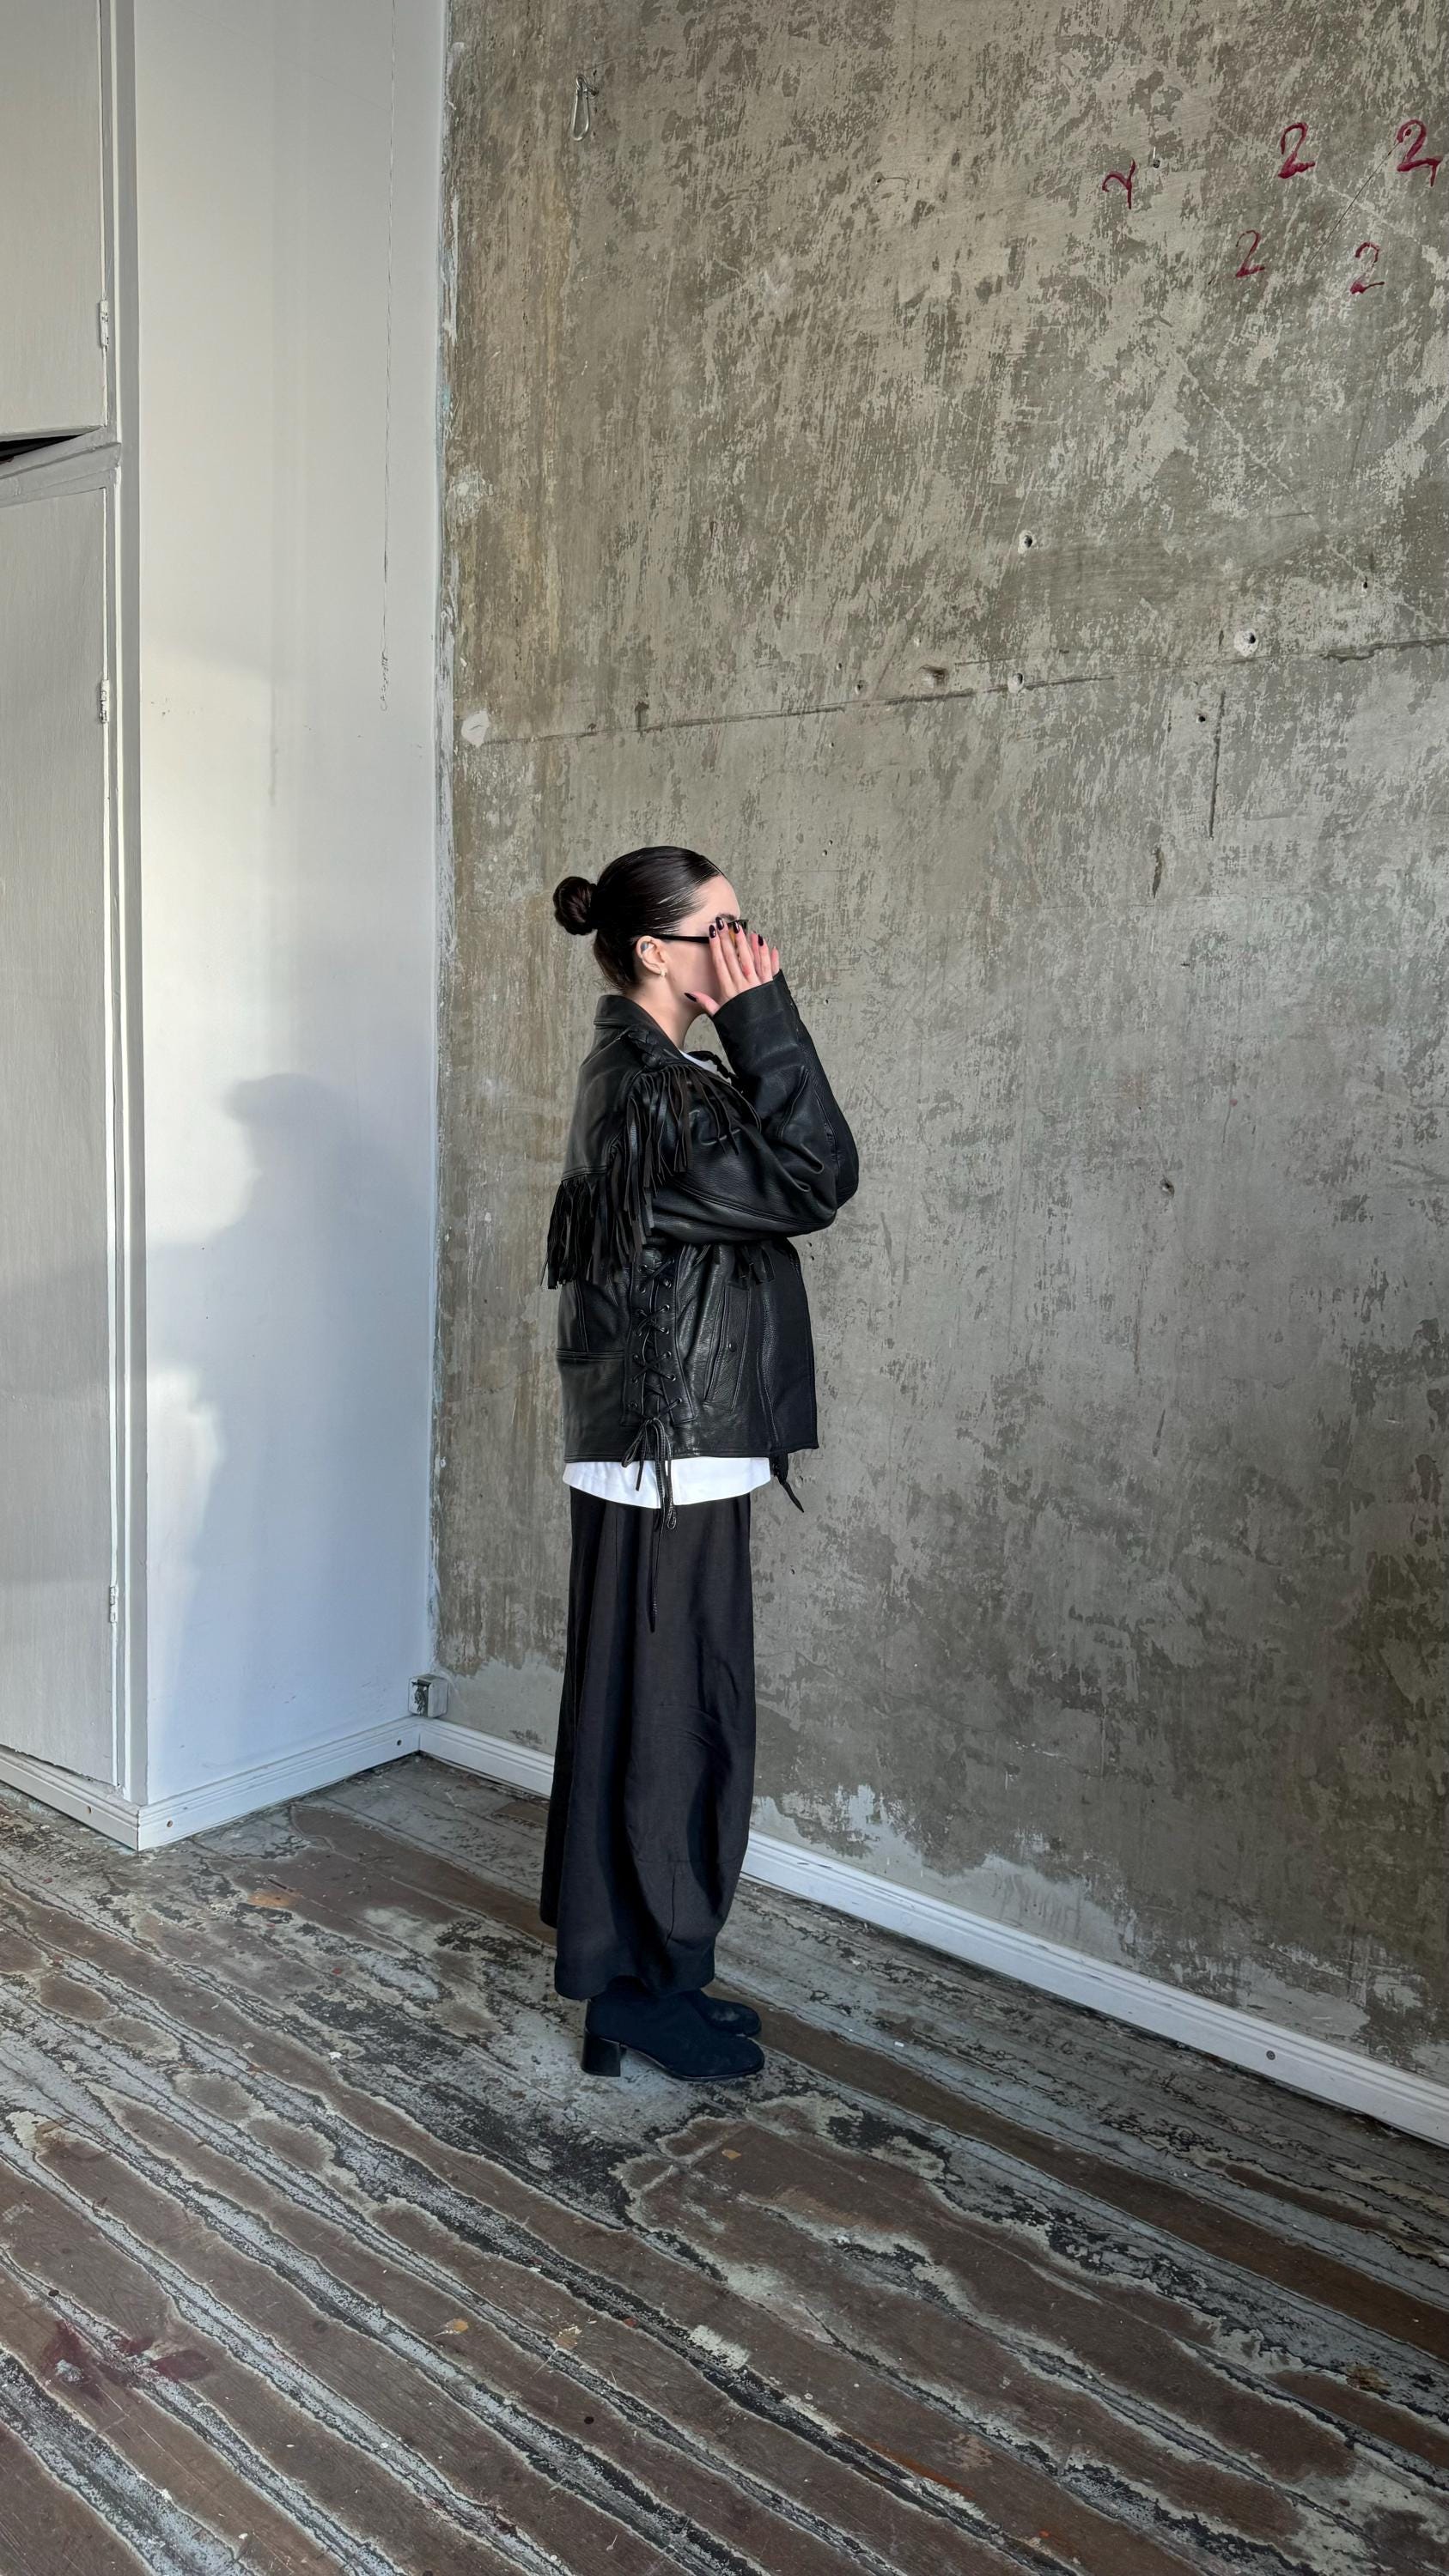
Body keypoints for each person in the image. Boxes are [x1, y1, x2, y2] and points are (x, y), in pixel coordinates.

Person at [538, 844, 860, 2081]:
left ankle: (661, 1975)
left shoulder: (664, 1071)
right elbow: (816, 1176)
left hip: (681, 1448)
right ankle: (627, 1988)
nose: (747, 947)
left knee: (682, 1719)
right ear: (659, 952)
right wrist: (765, 1014)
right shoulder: (646, 1088)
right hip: (663, 1454)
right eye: (722, 929)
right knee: (663, 1730)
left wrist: (743, 1024)